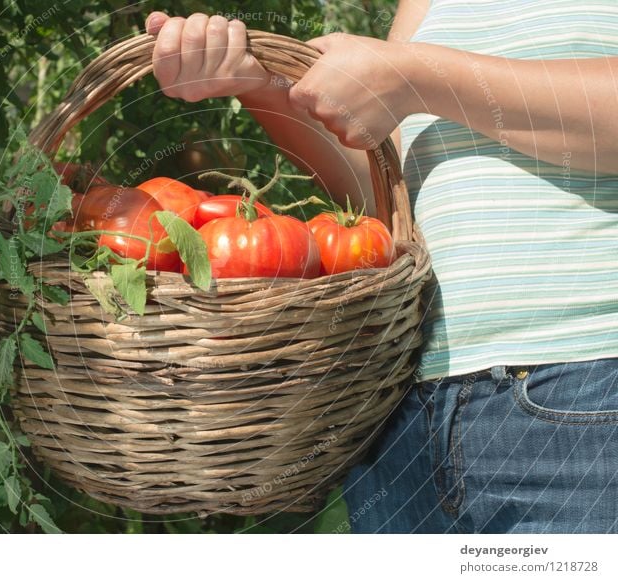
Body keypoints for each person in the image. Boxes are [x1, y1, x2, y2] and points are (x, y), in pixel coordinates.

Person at [143, 1, 618, 534]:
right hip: (404, 407)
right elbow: (382, 188)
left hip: (583, 386)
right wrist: (259, 85)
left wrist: (413, 77)